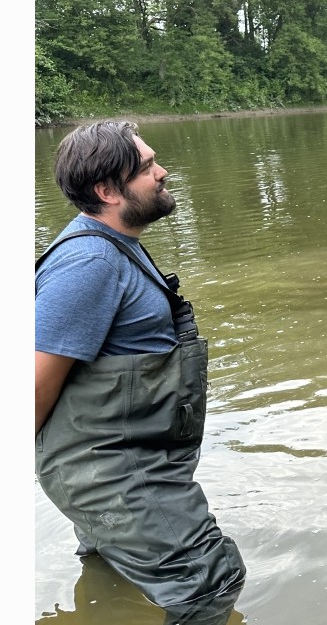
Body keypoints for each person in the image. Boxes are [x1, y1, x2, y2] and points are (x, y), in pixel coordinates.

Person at [34, 121, 247, 625]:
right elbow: (32, 383)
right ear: (108, 191)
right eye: (148, 167)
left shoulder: (115, 245)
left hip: (128, 460)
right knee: (208, 582)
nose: (163, 172)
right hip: (112, 471)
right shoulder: (90, 263)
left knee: (116, 579)